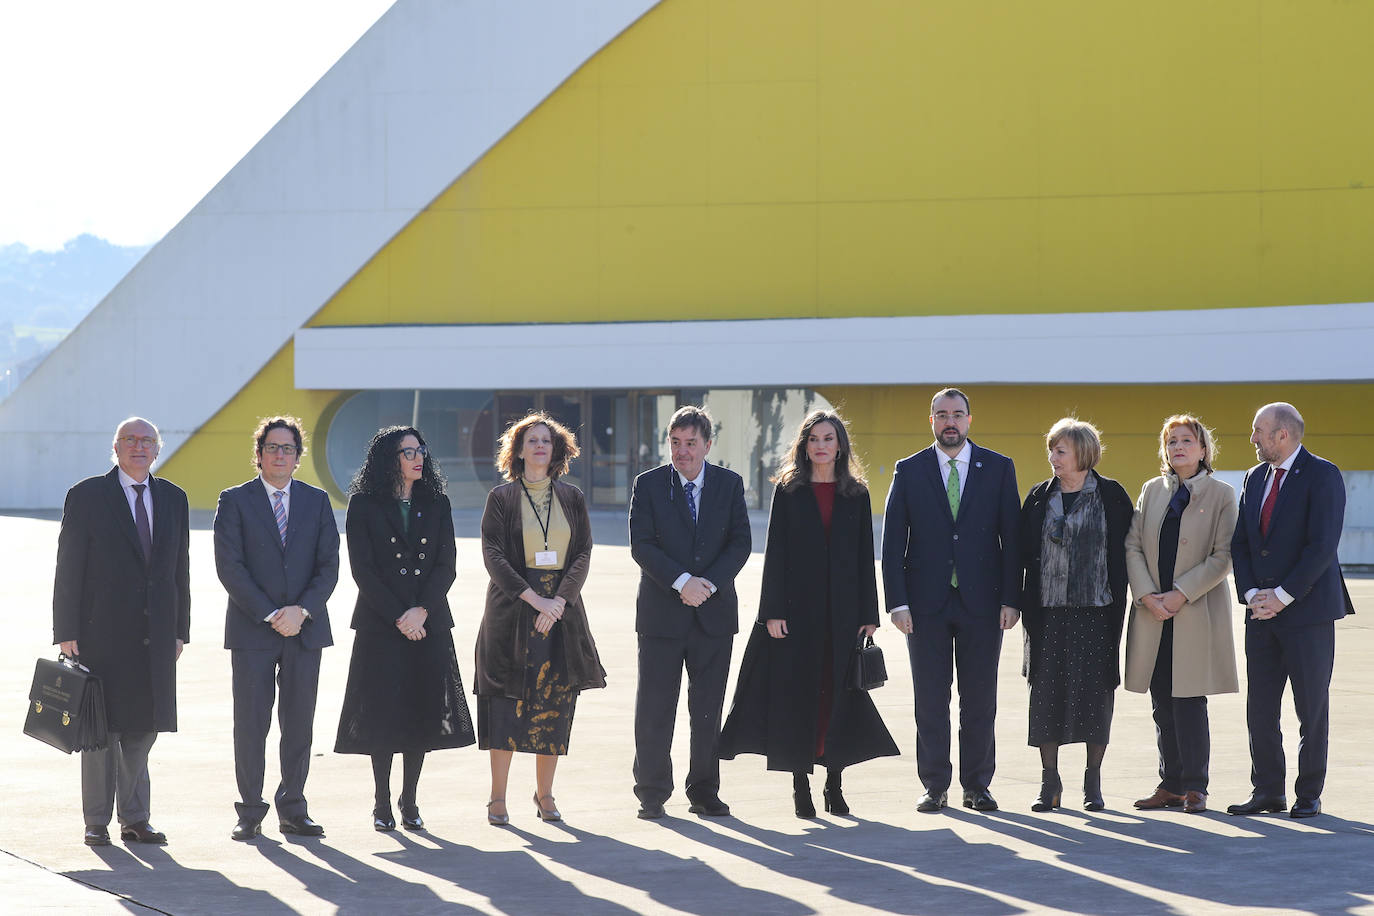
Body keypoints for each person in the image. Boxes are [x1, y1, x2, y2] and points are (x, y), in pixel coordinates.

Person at [719, 410, 898, 817]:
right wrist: (772, 613)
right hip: (797, 614)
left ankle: (834, 783)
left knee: (838, 696)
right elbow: (776, 553)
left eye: (828, 439)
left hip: (844, 613)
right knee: (798, 697)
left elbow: (862, 555)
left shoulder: (857, 493)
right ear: (804, 446)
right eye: (814, 439)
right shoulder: (789, 490)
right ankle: (801, 784)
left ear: (840, 446)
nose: (821, 445)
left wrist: (869, 613)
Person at [880, 388, 1020, 813]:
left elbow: (1012, 539)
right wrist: (897, 603)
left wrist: (1012, 598)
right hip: (925, 607)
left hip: (984, 603)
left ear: (970, 420)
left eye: (957, 414)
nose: (950, 422)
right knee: (930, 699)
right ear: (931, 421)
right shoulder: (910, 470)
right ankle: (934, 785)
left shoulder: (998, 468)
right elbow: (891, 545)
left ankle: (977, 785)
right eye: (942, 414)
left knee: (979, 699)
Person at [53, 417, 190, 847]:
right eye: (130, 440)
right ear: (115, 447)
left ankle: (135, 817)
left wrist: (180, 630)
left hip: (156, 635)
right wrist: (66, 629)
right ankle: (97, 820)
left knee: (143, 727)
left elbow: (179, 570)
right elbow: (68, 566)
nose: (139, 446)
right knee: (101, 728)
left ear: (157, 449)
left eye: (147, 440)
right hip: (100, 632)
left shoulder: (173, 498)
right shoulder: (88, 495)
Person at [334, 426, 475, 831]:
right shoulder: (363, 504)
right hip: (381, 625)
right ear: (388, 459)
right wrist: (400, 615)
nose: (418, 458)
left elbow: (446, 565)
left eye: (421, 450)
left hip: (428, 623)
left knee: (421, 712)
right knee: (383, 714)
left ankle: (409, 801)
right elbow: (363, 570)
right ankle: (381, 803)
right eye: (408, 451)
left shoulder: (437, 502)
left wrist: (421, 612)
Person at [474, 413, 606, 825]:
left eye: (546, 440)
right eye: (531, 440)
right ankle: (498, 798)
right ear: (518, 450)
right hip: (513, 610)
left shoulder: (572, 497)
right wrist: (535, 600)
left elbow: (582, 552)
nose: (539, 446)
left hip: (561, 614)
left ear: (557, 449)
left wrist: (559, 602)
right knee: (506, 706)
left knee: (554, 705)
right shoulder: (501, 498)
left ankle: (545, 795)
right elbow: (493, 555)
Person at [214, 416, 340, 840]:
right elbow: (230, 568)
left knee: (299, 722)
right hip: (254, 630)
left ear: (298, 457)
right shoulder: (234, 500)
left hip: (305, 630)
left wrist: (301, 611)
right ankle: (250, 809)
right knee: (251, 722)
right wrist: (272, 614)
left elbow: (328, 567)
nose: (280, 454)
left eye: (288, 448)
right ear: (259, 453)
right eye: (272, 447)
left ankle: (293, 806)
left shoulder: (317, 501)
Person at [1227, 403, 1354, 819]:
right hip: (1260, 613)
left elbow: (1321, 546)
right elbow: (1242, 544)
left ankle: (1308, 793)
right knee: (1260, 708)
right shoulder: (1253, 477)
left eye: (1258, 430)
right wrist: (1250, 593)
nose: (1253, 439)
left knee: (1310, 708)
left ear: (1283, 434)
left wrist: (1282, 595)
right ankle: (1267, 791)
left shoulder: (1323, 474)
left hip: (1307, 614)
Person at [629, 405, 751, 819]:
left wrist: (708, 584)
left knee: (707, 710)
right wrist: (683, 582)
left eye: (691, 444)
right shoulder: (648, 485)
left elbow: (740, 544)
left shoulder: (730, 485)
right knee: (655, 708)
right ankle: (651, 792)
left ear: (707, 445)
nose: (682, 452)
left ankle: (704, 790)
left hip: (714, 617)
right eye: (675, 443)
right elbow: (642, 545)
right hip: (662, 615)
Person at [1123, 415, 1237, 815]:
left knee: (1189, 700)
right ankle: (1169, 784)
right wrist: (1148, 596)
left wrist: (1180, 594)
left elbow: (1223, 556)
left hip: (1193, 611)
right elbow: (1133, 546)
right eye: (1171, 442)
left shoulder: (1222, 494)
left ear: (1203, 449)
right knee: (1161, 702)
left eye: (1186, 441)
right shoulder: (1151, 491)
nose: (1178, 448)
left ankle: (1194, 786)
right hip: (1154, 614)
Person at [1019, 418, 1133, 812]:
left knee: (1095, 695)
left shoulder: (1112, 496)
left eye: (1061, 451)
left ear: (1083, 453)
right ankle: (1049, 782)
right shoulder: (1037, 497)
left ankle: (1092, 781)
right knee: (1046, 694)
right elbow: (1020, 554)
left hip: (1096, 613)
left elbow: (1128, 553)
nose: (1053, 457)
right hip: (1047, 614)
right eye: (1051, 450)